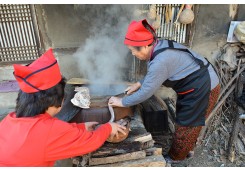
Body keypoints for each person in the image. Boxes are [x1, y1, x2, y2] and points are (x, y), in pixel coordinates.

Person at [108, 19, 220, 163]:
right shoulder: (157, 46)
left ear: (144, 46)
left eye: (133, 51)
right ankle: (187, 148)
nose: (133, 54)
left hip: (204, 86)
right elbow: (156, 75)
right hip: (197, 82)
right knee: (187, 123)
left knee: (186, 126)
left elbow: (146, 93)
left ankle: (175, 159)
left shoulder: (160, 61)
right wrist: (139, 83)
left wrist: (122, 102)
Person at [0, 48, 126, 167]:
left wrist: (81, 127)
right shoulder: (49, 130)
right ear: (55, 100)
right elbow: (89, 143)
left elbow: (51, 134)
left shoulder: (9, 120)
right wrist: (108, 128)